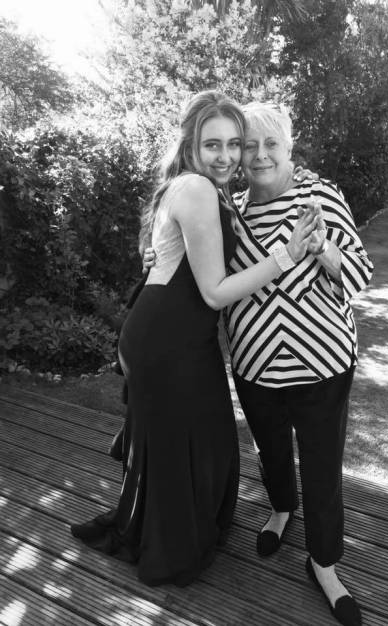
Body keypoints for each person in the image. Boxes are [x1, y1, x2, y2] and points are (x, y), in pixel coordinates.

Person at [70, 91, 315, 587]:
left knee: (199, 439)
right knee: (189, 444)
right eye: (213, 145)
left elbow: (163, 255)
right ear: (191, 145)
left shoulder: (193, 186)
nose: (226, 156)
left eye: (234, 144)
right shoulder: (199, 189)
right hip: (170, 340)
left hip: (171, 333)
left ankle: (171, 529)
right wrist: (286, 257)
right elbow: (215, 291)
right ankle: (173, 548)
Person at [224, 102, 373, 626]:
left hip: (323, 363)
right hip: (254, 363)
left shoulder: (320, 195)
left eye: (272, 144)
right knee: (270, 451)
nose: (260, 155)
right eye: (249, 145)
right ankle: (281, 508)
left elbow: (360, 273)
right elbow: (211, 278)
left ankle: (324, 562)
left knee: (322, 465)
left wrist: (325, 249)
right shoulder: (230, 209)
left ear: (289, 147)